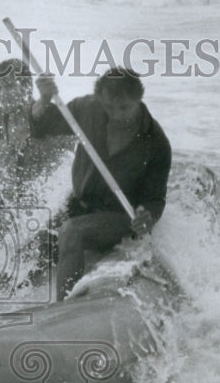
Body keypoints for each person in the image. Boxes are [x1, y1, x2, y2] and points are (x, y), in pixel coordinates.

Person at [31, 67, 172, 300]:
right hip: (80, 204)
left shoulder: (156, 142)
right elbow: (43, 127)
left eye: (124, 107)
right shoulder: (87, 108)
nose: (116, 115)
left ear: (138, 98)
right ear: (99, 99)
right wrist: (44, 100)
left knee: (71, 232)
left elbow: (155, 200)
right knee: (37, 245)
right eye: (108, 107)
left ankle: (63, 310)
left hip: (120, 215)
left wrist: (146, 216)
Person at [0, 58, 75, 195]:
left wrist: (45, 98)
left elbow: (37, 114)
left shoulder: (46, 112)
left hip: (42, 194)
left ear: (27, 87)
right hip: (8, 193)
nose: (2, 93)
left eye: (9, 86)